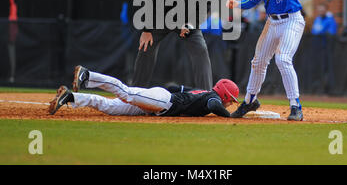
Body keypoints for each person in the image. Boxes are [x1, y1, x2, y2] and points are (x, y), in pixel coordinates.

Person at [226, 0, 305, 121]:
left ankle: (296, 107)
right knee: (258, 62)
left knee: (283, 59)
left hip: (292, 19)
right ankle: (250, 100)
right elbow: (251, 1)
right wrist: (237, 4)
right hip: (272, 22)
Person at [133, 0, 213, 90]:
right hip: (161, 21)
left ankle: (206, 95)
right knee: (145, 46)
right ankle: (136, 93)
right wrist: (146, 30)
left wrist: (190, 24)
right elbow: (148, 3)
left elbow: (204, 8)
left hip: (187, 22)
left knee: (200, 49)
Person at [48, 65, 239, 118]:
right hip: (164, 102)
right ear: (223, 93)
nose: (230, 103)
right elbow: (215, 105)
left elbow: (175, 87)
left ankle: (70, 96)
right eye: (230, 99)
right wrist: (234, 115)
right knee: (127, 93)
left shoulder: (205, 93)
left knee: (111, 108)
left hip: (156, 104)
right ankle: (88, 75)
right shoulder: (213, 98)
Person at [8, 0, 18, 83]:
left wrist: (11, 0)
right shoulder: (12, 22)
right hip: (10, 43)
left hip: (13, 43)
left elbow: (13, 8)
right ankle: (11, 76)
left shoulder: (13, 23)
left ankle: (12, 76)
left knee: (12, 60)